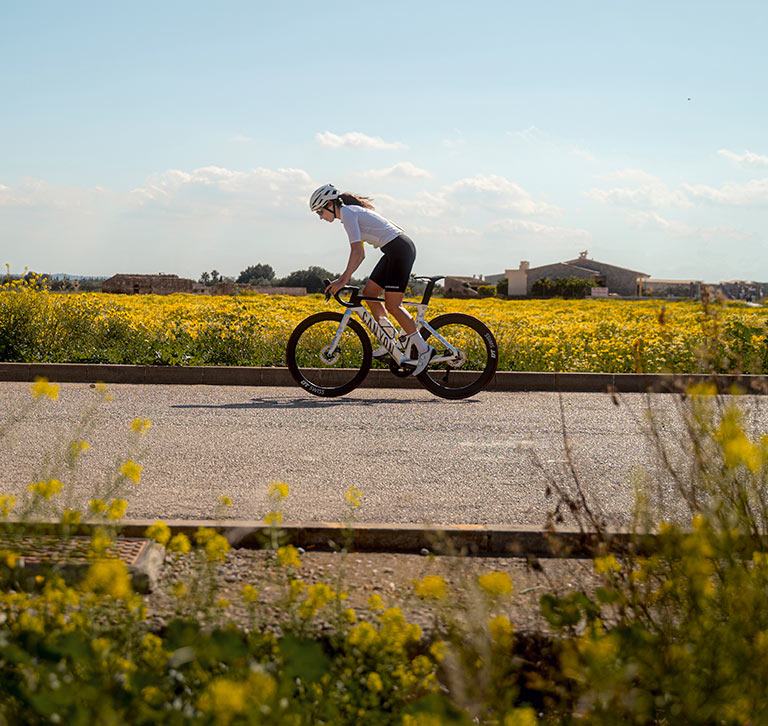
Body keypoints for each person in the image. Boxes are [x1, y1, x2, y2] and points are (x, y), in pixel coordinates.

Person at [309, 183, 435, 376]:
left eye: (319, 212)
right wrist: (343, 278)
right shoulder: (349, 213)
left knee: (393, 305)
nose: (320, 217)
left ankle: (424, 350)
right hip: (393, 250)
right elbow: (359, 252)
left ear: (329, 205)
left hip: (400, 250)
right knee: (369, 294)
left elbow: (358, 253)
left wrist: (343, 280)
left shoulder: (348, 213)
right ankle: (390, 340)